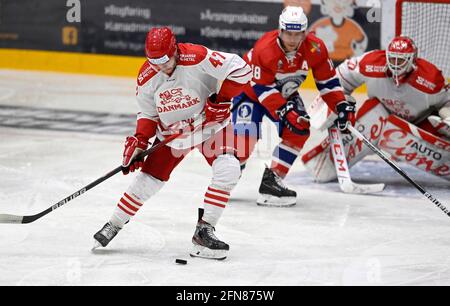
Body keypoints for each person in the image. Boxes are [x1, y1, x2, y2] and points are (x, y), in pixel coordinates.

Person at [92, 27, 252, 260]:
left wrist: (221, 99)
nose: (161, 68)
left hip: (210, 126)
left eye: (165, 61)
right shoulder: (147, 76)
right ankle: (114, 224)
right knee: (147, 181)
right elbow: (147, 114)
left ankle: (204, 231)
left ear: (175, 50)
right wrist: (140, 141)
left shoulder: (197, 56)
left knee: (228, 169)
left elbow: (241, 69)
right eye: (154, 62)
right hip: (172, 133)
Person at [232, 6, 354, 207]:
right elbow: (262, 87)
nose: (292, 38)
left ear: (305, 33)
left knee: (298, 129)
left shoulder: (315, 48)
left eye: (298, 34)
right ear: (280, 30)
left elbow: (328, 82)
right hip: (249, 94)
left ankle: (271, 183)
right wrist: (284, 110)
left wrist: (340, 104)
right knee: (243, 143)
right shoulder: (266, 48)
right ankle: (227, 174)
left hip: (284, 93)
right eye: (288, 33)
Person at [303, 36, 450, 182]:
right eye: (392, 59)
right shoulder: (371, 63)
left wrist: (447, 117)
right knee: (373, 113)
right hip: (379, 118)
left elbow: (447, 102)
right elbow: (341, 76)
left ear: (413, 59)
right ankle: (324, 163)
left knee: (442, 145)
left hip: (417, 125)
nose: (396, 65)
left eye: (401, 60)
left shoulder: (430, 79)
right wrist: (338, 101)